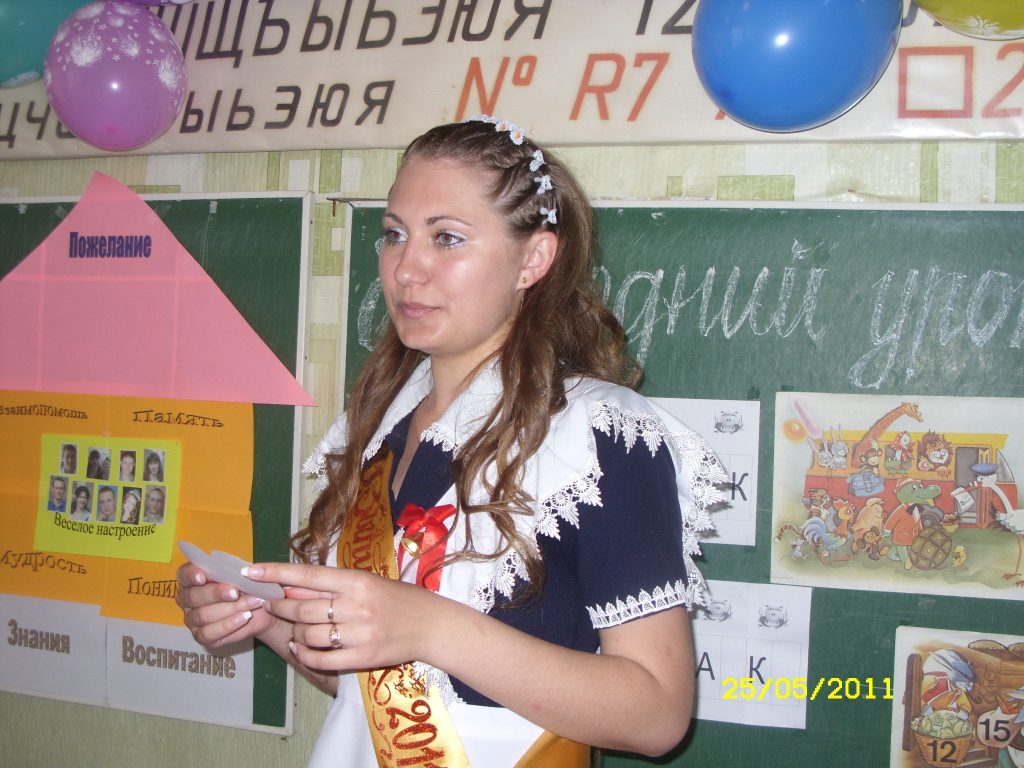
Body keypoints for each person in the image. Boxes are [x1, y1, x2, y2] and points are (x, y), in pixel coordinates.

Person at [176, 117, 724, 767]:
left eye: (447, 238)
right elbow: (376, 689)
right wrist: (263, 620)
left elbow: (657, 715)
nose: (406, 269)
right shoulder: (377, 427)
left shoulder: (600, 436)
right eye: (394, 235)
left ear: (533, 259)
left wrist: (430, 626)